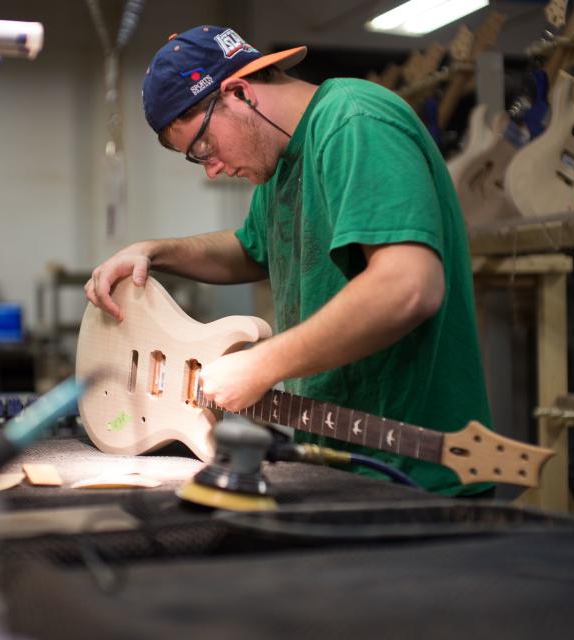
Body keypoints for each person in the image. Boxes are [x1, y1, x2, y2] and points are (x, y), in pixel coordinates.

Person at [85, 25, 491, 496]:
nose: (212, 169)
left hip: (413, 474)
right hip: (340, 460)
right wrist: (154, 252)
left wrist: (262, 366)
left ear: (238, 92)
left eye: (203, 148)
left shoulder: (354, 122)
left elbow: (409, 286)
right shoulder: (281, 164)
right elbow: (250, 249)